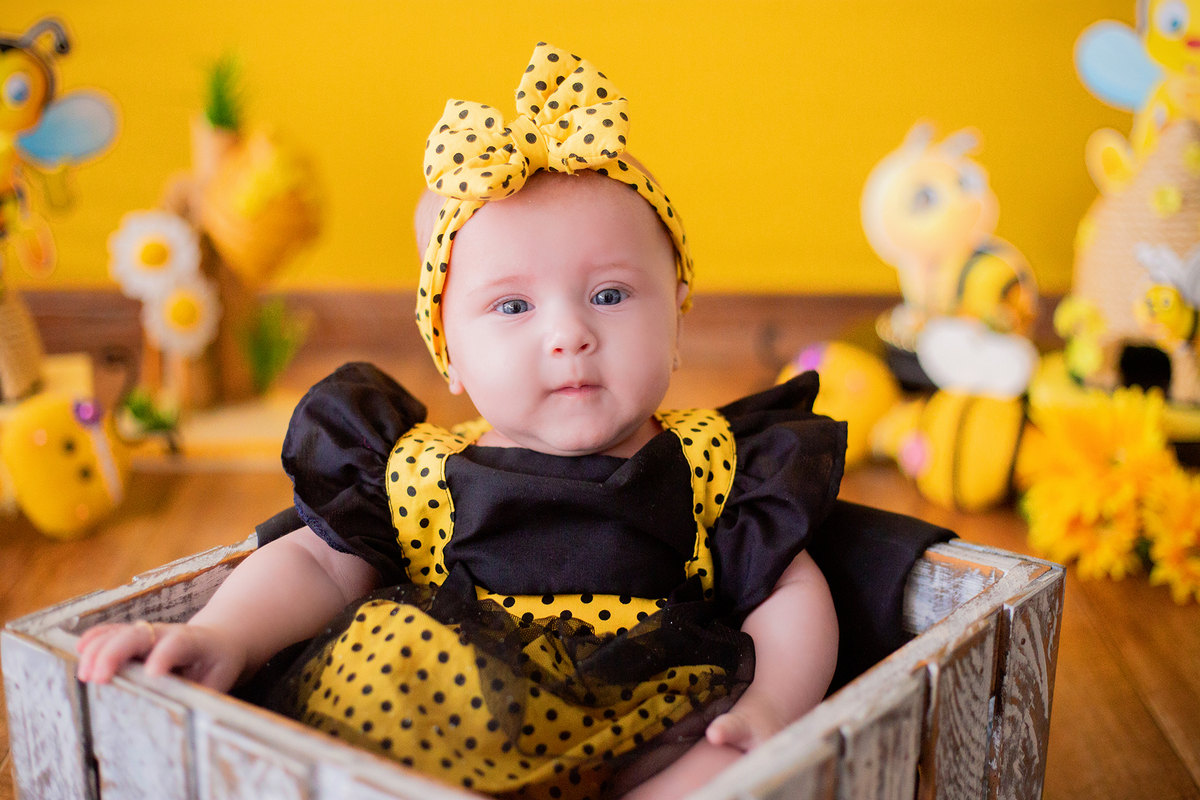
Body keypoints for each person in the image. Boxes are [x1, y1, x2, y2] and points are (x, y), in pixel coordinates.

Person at [75, 43, 843, 800]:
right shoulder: (418, 471)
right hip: (456, 718)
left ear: (678, 316)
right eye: (513, 306)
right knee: (380, 660)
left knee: (724, 760)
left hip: (649, 715)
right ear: (450, 355)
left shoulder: (714, 460)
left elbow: (789, 592)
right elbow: (315, 562)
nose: (569, 333)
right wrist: (223, 636)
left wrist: (774, 707)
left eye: (610, 295)